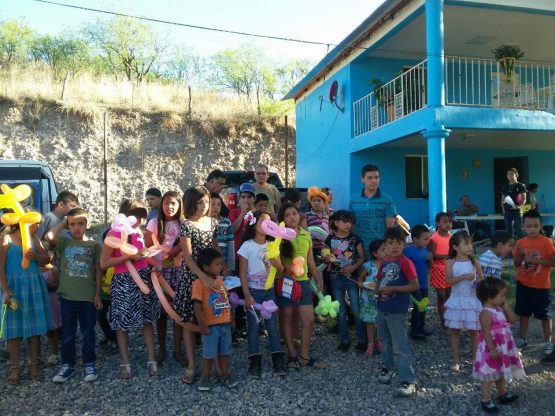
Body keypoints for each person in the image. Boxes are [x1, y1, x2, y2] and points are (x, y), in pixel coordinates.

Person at [173, 186, 230, 385]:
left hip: (211, 275)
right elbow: (188, 257)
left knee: (214, 315)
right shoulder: (187, 225)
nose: (204, 206)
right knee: (189, 321)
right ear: (190, 203)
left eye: (206, 201)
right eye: (199, 202)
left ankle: (216, 363)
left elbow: (215, 247)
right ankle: (191, 364)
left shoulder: (213, 222)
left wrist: (222, 267)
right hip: (192, 277)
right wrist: (202, 278)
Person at [100, 199, 161, 380]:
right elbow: (104, 263)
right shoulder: (114, 233)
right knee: (122, 324)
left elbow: (144, 255)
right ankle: (125, 364)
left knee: (147, 320)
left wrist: (155, 264)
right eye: (137, 216)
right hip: (123, 281)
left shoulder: (139, 232)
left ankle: (152, 361)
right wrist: (129, 257)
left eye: (142, 217)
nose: (140, 220)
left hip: (143, 278)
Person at [47, 208, 103, 383]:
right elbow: (49, 236)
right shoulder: (65, 243)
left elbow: (98, 271)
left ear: (87, 224)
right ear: (68, 225)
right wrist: (62, 224)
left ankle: (89, 363)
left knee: (88, 332)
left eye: (80, 223)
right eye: (72, 224)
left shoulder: (94, 246)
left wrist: (97, 295)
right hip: (67, 297)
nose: (76, 227)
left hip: (87, 297)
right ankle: (68, 365)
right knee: (68, 333)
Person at [0, 219, 51, 384]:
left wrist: (36, 256)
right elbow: (0, 267)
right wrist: (5, 290)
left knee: (34, 328)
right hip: (13, 288)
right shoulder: (6, 239)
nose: (39, 226)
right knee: (13, 329)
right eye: (36, 223)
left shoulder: (34, 239)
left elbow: (46, 259)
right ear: (24, 222)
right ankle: (15, 368)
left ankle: (34, 365)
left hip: (33, 286)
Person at [276, 202, 326, 369]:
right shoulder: (279, 235)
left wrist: (317, 279)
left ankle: (304, 355)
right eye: (287, 215)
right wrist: (286, 269)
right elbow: (275, 258)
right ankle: (292, 355)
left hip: (304, 281)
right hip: (286, 282)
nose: (291, 217)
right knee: (287, 317)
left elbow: (310, 259)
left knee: (309, 319)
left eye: (294, 213)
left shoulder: (305, 234)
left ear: (299, 215)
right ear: (282, 219)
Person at [237, 210, 286, 378]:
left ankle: (277, 360)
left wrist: (276, 262)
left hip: (269, 291)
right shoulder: (247, 246)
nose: (267, 225)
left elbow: (280, 269)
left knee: (272, 326)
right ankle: (254, 362)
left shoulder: (273, 245)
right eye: (262, 222)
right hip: (253, 292)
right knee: (253, 327)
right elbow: (242, 273)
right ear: (254, 225)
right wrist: (247, 295)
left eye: (269, 222)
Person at [376, 226, 419, 397]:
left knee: (400, 345)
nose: (394, 246)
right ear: (385, 245)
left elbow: (414, 285)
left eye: (399, 243)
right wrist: (375, 289)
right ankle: (387, 368)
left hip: (396, 310)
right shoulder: (385, 262)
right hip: (382, 308)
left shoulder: (406, 262)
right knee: (384, 341)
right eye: (390, 243)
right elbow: (379, 280)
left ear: (404, 245)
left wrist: (395, 289)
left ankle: (408, 380)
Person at [145, 191, 186, 365]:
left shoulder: (184, 224)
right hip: (159, 272)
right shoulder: (154, 223)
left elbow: (187, 246)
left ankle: (178, 349)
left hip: (179, 271)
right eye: (166, 203)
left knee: (178, 310)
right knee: (161, 312)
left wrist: (176, 251)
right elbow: (147, 249)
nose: (169, 207)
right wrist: (157, 265)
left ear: (179, 205)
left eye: (173, 203)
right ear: (161, 205)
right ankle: (162, 348)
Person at [473, 278, 524, 414]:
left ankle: (503, 394)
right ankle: (485, 399)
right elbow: (486, 332)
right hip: (492, 347)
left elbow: (513, 320)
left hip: (503, 346)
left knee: (500, 370)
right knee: (489, 374)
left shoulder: (498, 308)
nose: (504, 298)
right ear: (489, 297)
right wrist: (492, 349)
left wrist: (506, 307)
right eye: (501, 296)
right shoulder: (486, 312)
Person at [192, 248, 237, 391]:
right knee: (209, 353)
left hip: (225, 324)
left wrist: (232, 318)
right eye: (217, 264)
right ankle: (205, 377)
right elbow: (196, 305)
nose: (220, 267)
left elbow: (226, 299)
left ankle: (225, 374)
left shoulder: (220, 281)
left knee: (225, 352)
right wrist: (202, 323)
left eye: (220, 264)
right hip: (210, 326)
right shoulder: (199, 283)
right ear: (206, 267)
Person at [512, 209, 555, 355]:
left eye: (535, 226)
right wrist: (520, 255)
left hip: (541, 286)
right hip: (523, 284)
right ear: (523, 227)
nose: (532, 229)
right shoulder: (520, 242)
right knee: (523, 313)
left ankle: (548, 341)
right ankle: (522, 338)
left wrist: (536, 261)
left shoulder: (547, 242)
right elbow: (516, 263)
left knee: (544, 314)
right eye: (529, 226)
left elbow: (553, 261)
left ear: (541, 226)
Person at [323, 210, 366, 352]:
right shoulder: (330, 238)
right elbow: (325, 254)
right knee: (340, 310)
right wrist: (326, 257)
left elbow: (362, 257)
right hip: (335, 278)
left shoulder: (355, 238)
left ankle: (362, 339)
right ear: (336, 223)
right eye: (345, 221)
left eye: (350, 222)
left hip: (351, 278)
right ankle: (344, 339)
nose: (348, 225)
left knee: (356, 309)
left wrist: (353, 267)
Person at [444, 231, 483, 372]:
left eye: (470, 243)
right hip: (456, 300)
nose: (470, 246)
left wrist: (477, 283)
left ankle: (475, 358)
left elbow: (482, 279)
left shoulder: (475, 262)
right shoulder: (450, 262)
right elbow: (448, 281)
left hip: (472, 300)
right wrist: (464, 277)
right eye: (466, 244)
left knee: (474, 331)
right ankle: (456, 360)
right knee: (455, 331)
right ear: (455, 247)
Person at [349, 164, 397, 258]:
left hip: (379, 251)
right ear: (362, 179)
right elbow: (351, 225)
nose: (374, 181)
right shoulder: (354, 200)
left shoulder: (387, 200)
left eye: (376, 177)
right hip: (359, 249)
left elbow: (390, 228)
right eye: (370, 178)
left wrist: (387, 249)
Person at [403, 225, 433, 340]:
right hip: (413, 284)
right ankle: (415, 331)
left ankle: (421, 327)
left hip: (424, 283)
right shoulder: (408, 251)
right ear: (415, 239)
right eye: (425, 239)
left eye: (428, 238)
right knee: (418, 306)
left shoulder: (426, 250)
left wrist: (430, 259)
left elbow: (429, 266)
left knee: (423, 306)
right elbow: (404, 267)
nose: (428, 241)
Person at [359, 239, 387, 357]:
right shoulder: (369, 265)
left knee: (381, 321)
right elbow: (360, 278)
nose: (386, 251)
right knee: (370, 322)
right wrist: (361, 283)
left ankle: (379, 342)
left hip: (383, 297)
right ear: (375, 253)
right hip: (369, 298)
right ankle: (370, 343)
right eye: (383, 250)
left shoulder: (389, 265)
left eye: (386, 249)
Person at [428, 212, 453, 330]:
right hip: (438, 270)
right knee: (441, 296)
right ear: (437, 223)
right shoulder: (434, 238)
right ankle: (443, 321)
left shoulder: (451, 237)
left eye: (450, 221)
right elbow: (433, 255)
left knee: (450, 295)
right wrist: (447, 256)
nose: (448, 224)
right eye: (445, 221)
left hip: (449, 269)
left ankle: (450, 318)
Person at [41, 263, 61, 367]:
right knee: (36, 330)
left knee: (51, 328)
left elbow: (58, 286)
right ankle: (36, 356)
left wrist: (45, 284)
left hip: (50, 300)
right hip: (37, 300)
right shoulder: (31, 267)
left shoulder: (53, 269)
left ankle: (54, 354)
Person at [229, 183, 256, 259]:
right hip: (238, 252)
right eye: (243, 197)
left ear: (254, 199)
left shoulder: (258, 213)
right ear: (239, 199)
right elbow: (232, 230)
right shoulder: (233, 212)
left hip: (253, 253)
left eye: (249, 197)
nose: (246, 200)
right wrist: (242, 213)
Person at [209, 193, 235, 273]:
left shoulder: (226, 222)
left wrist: (230, 267)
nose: (216, 207)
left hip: (224, 264)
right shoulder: (203, 222)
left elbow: (230, 244)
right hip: (208, 263)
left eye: (219, 204)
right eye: (212, 204)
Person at [501, 167, 527, 238]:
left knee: (520, 231)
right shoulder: (505, 186)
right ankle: (510, 245)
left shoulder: (521, 185)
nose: (509, 176)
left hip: (518, 212)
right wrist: (504, 211)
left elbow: (524, 199)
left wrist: (519, 207)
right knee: (508, 232)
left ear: (516, 175)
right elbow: (502, 200)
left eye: (511, 174)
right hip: (507, 212)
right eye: (508, 174)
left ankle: (521, 245)